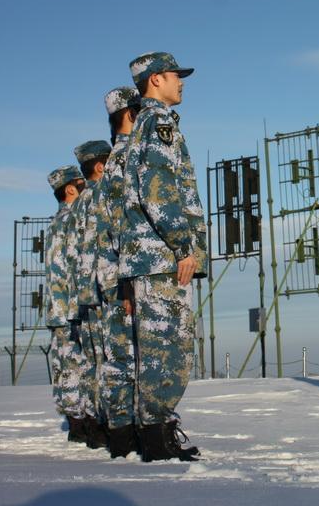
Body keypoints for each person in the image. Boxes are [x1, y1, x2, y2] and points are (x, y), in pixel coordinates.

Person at [121, 52, 206, 461]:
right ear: (156, 79)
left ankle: (155, 433)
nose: (182, 82)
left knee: (160, 347)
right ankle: (157, 437)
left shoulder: (149, 124)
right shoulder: (158, 123)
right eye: (176, 75)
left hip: (151, 256)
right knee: (166, 349)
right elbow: (158, 191)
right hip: (161, 258)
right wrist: (184, 246)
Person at [83, 87, 141, 458]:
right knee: (122, 356)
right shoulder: (121, 162)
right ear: (129, 115)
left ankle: (121, 429)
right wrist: (127, 282)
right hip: (118, 276)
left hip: (112, 275)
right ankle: (122, 433)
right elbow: (122, 227)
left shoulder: (116, 164)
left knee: (119, 356)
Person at [45, 164, 93, 443]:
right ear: (71, 189)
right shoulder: (73, 221)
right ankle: (83, 426)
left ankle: (77, 425)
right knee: (78, 368)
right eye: (81, 184)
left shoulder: (56, 222)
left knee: (66, 369)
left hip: (59, 310)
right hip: (72, 310)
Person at [72, 139, 113, 449]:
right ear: (101, 166)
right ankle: (107, 424)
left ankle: (90, 423)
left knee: (92, 361)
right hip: (104, 287)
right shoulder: (102, 195)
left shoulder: (79, 203)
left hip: (86, 290)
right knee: (110, 359)